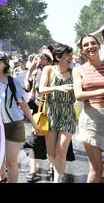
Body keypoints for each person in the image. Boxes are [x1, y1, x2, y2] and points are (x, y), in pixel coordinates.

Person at [0, 51, 40, 183]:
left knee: (11, 161)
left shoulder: (13, 82)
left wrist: (34, 123)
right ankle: (2, 178)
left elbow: (23, 105)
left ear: (5, 64)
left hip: (14, 124)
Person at [38, 43, 76, 183]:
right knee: (51, 153)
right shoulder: (49, 69)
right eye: (68, 56)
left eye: (71, 56)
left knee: (61, 152)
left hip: (68, 114)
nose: (71, 58)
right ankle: (54, 170)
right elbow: (41, 89)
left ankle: (58, 180)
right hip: (51, 113)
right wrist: (58, 88)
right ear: (59, 57)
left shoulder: (74, 72)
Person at [73, 35, 104, 183]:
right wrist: (101, 91)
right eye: (86, 45)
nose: (90, 46)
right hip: (91, 120)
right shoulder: (79, 70)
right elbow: (78, 94)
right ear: (82, 50)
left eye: (93, 43)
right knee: (96, 170)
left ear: (99, 45)